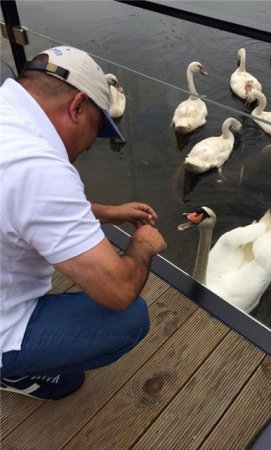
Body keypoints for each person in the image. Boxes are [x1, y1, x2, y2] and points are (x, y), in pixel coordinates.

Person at [0, 46, 167, 400]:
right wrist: (143, 244)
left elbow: (22, 200)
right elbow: (118, 291)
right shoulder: (39, 167)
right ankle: (10, 372)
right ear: (77, 106)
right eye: (95, 129)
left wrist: (107, 212)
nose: (89, 146)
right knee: (128, 320)